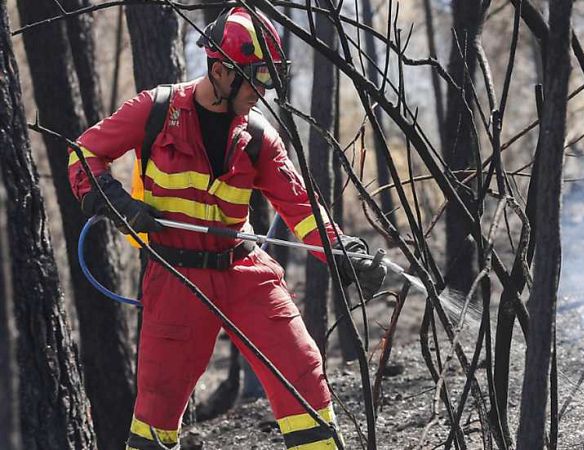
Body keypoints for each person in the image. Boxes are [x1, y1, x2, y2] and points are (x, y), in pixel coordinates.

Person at [67, 7, 385, 449]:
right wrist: (112, 199)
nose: (263, 91)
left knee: (302, 372)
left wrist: (342, 252)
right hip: (176, 277)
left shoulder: (258, 136)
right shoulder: (155, 110)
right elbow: (84, 153)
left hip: (245, 272)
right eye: (256, 78)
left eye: (269, 79)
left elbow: (301, 207)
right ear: (220, 71)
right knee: (157, 406)